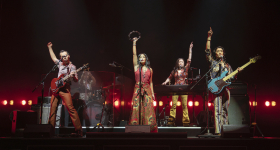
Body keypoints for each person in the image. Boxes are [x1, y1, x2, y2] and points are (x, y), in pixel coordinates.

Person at [205, 27, 242, 134]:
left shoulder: (227, 65)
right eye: (218, 51)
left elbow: (231, 78)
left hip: (226, 89)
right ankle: (217, 131)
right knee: (217, 110)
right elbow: (207, 52)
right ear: (215, 53)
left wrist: (237, 73)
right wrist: (209, 38)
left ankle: (224, 129)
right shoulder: (213, 63)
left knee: (225, 110)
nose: (220, 52)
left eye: (221, 51)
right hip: (216, 88)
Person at [47, 42, 83, 137]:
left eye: (65, 56)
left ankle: (79, 131)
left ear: (69, 56)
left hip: (65, 89)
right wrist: (50, 48)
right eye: (62, 57)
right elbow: (53, 58)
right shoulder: (60, 64)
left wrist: (73, 76)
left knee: (70, 108)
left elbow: (76, 80)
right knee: (52, 110)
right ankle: (50, 131)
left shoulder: (73, 67)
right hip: (56, 89)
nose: (64, 58)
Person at [128, 38, 158, 133]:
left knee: (147, 108)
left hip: (147, 89)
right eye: (140, 57)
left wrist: (152, 93)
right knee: (137, 107)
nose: (141, 58)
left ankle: (148, 127)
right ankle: (136, 127)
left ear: (146, 59)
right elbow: (134, 54)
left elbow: (151, 82)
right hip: (137, 89)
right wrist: (134, 43)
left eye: (143, 57)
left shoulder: (150, 69)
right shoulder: (136, 67)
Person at [162, 42, 193, 127]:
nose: (181, 63)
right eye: (179, 61)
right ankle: (171, 121)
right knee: (173, 105)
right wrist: (165, 82)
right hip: (175, 88)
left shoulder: (185, 70)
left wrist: (190, 49)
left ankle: (186, 122)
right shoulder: (174, 70)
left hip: (183, 88)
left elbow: (189, 60)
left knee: (184, 105)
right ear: (177, 63)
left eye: (182, 62)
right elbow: (169, 77)